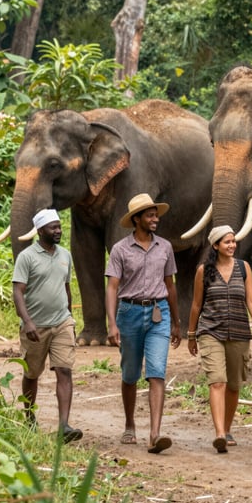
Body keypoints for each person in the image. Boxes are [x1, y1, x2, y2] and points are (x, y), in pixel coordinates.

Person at [105, 193, 181, 454]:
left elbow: (170, 285)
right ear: (136, 219)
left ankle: (155, 434)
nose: (155, 219)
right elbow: (112, 287)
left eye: (155, 214)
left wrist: (176, 322)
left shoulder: (166, 248)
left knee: (157, 372)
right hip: (129, 314)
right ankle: (129, 424)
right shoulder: (120, 250)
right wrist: (112, 323)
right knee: (130, 374)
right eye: (149, 215)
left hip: (159, 312)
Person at [187, 225, 252, 453]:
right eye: (227, 242)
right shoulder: (204, 271)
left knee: (233, 385)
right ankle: (219, 433)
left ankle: (228, 428)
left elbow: (251, 299)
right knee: (217, 381)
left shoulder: (244, 268)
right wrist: (191, 335)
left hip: (239, 331)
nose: (232, 245)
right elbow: (196, 304)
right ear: (215, 246)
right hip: (211, 331)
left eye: (233, 241)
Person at [12, 208, 82, 443]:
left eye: (60, 226)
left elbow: (66, 287)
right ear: (40, 230)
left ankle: (64, 426)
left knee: (64, 370)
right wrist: (28, 322)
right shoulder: (27, 257)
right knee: (32, 374)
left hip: (61, 322)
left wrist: (70, 319)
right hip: (35, 327)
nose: (58, 231)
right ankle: (30, 418)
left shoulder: (65, 255)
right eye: (53, 227)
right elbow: (18, 292)